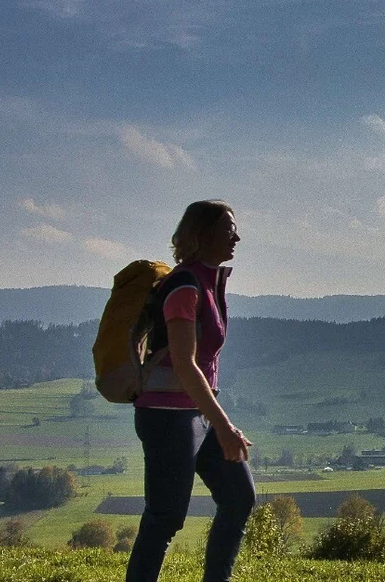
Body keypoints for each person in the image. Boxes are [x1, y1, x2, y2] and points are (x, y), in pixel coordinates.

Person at [127, 200, 254, 582]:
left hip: (198, 412)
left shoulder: (207, 281)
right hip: (167, 417)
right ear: (201, 235)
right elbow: (185, 363)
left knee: (238, 498)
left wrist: (215, 420)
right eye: (228, 228)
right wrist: (226, 426)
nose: (236, 236)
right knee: (165, 517)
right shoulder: (185, 285)